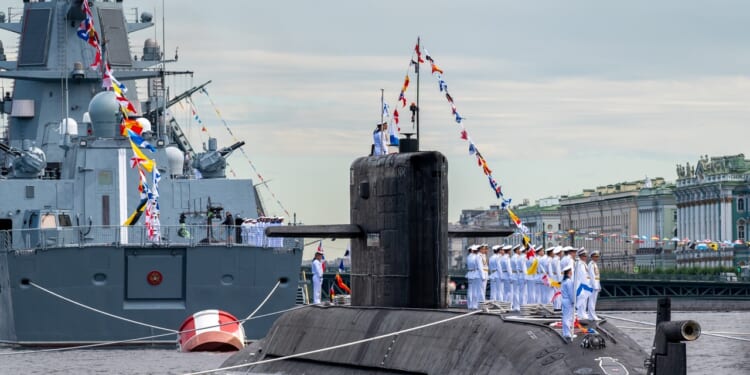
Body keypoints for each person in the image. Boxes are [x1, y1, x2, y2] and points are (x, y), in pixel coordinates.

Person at [574, 248, 592, 320]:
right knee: (582, 298)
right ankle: (579, 313)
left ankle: (583, 313)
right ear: (580, 256)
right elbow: (582, 275)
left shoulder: (584, 263)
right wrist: (586, 284)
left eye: (586, 256)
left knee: (584, 299)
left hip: (585, 283)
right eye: (584, 256)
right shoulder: (579, 264)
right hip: (581, 284)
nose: (585, 257)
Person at [560, 264, 575, 342]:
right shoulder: (568, 281)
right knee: (567, 317)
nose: (572, 272)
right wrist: (573, 301)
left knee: (566, 317)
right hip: (568, 300)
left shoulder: (564, 281)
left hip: (564, 300)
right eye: (571, 271)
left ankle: (566, 332)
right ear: (569, 272)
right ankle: (567, 333)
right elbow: (570, 293)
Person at [588, 250, 602, 320]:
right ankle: (591, 315)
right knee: (592, 301)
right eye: (595, 257)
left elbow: (597, 276)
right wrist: (594, 285)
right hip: (592, 285)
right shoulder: (591, 264)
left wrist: (598, 285)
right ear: (592, 257)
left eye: (597, 257)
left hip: (596, 284)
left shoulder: (595, 264)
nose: (597, 258)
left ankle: (592, 315)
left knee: (594, 301)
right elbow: (592, 276)